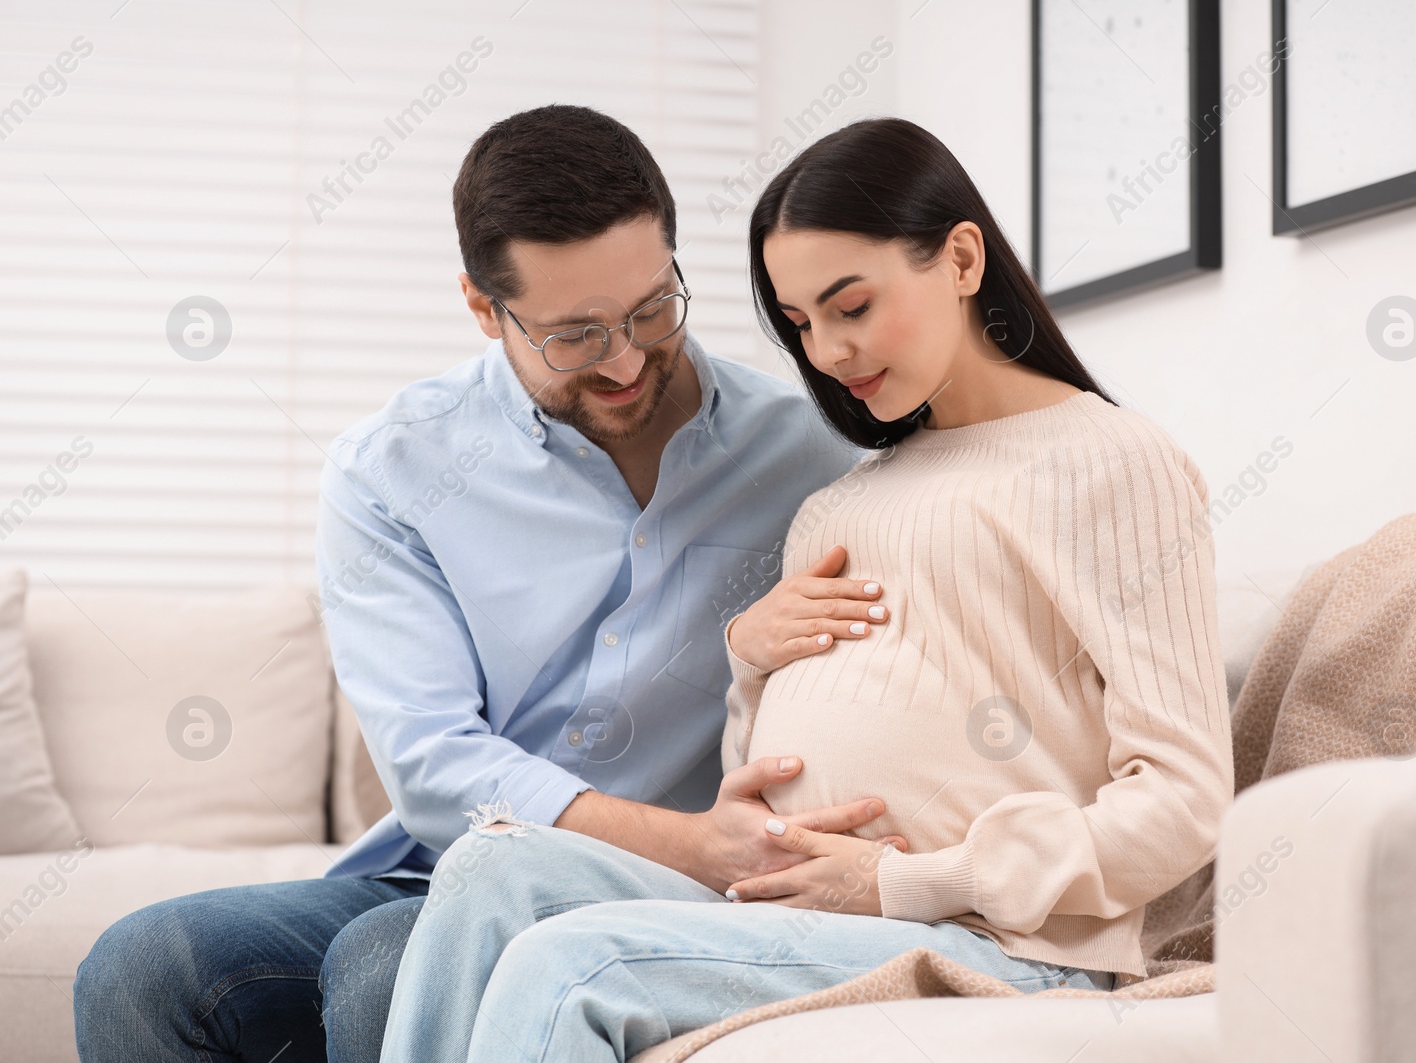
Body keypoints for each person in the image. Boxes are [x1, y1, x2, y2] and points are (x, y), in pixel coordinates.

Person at [377, 117, 1235, 1063]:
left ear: (959, 258)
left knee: (575, 965)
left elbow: (1188, 799)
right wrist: (749, 665)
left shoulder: (1110, 463)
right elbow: (762, 770)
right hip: (785, 902)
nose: (825, 351)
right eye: (799, 324)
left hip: (997, 939)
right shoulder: (838, 503)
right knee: (491, 861)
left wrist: (908, 878)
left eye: (851, 307)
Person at [71, 105, 896, 1063]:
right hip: (458, 866)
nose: (627, 361)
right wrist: (693, 841)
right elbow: (432, 762)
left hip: (678, 892)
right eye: (575, 336)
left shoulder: (812, 451)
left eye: (649, 311)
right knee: (139, 965)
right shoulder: (393, 468)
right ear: (481, 307)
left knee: (385, 965)